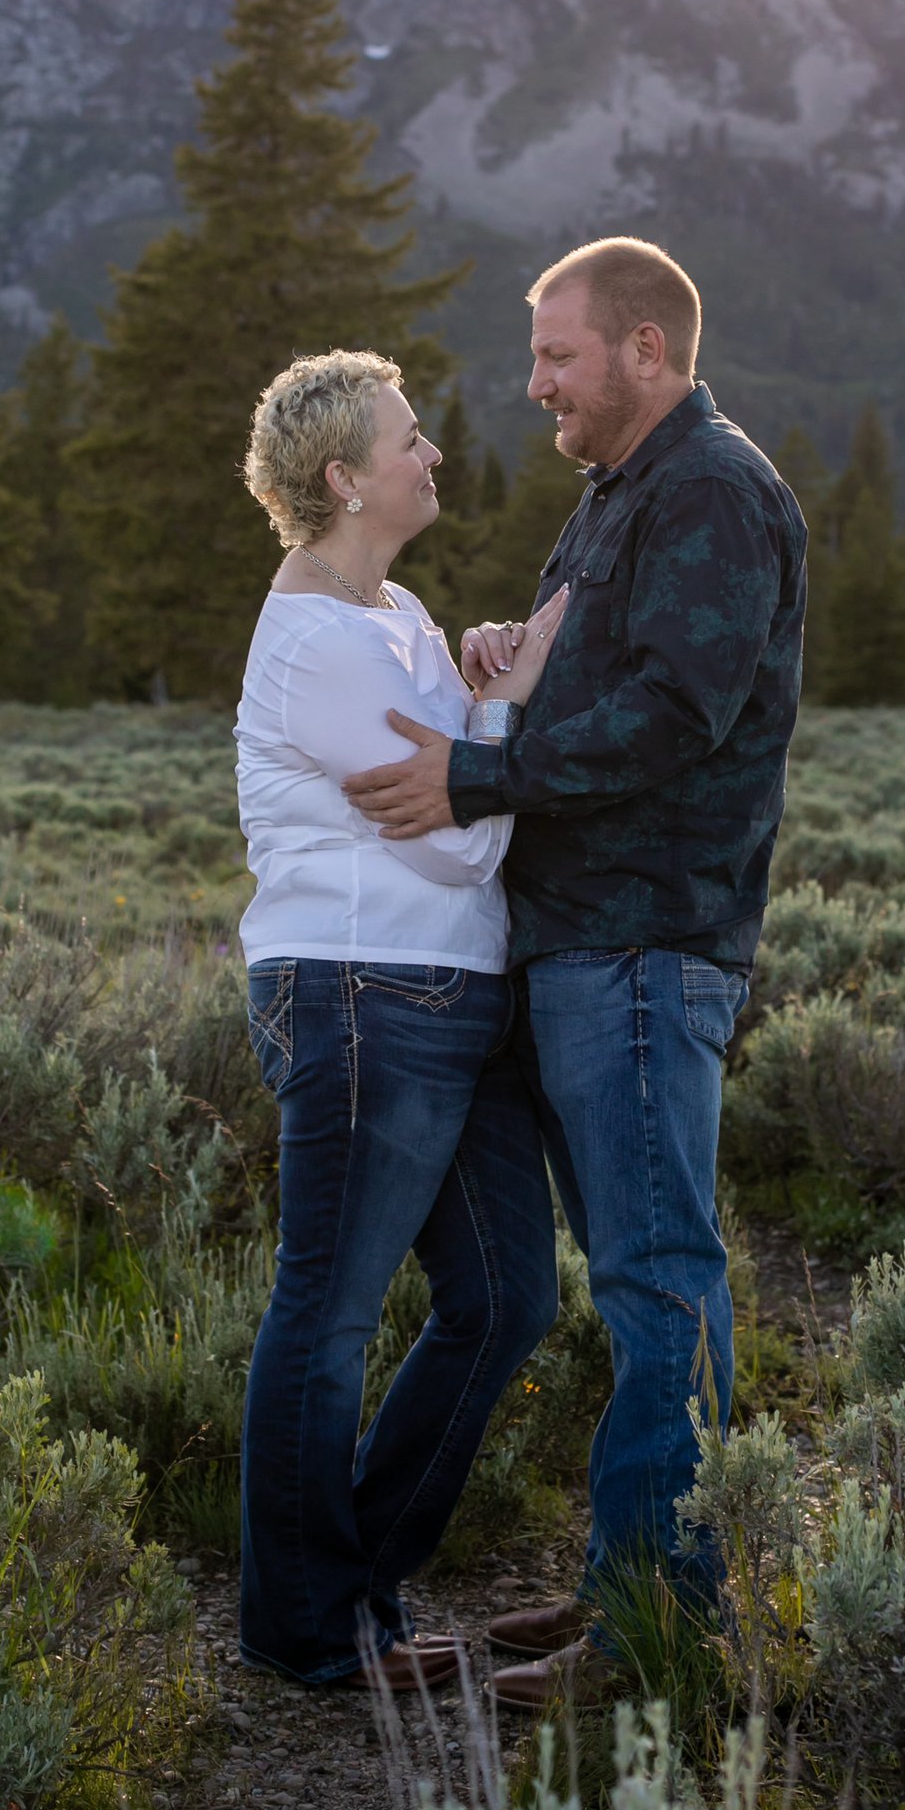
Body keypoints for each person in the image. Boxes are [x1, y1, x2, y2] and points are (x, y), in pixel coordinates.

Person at [341, 240, 807, 1704]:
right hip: (577, 947)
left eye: (559, 355)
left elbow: (677, 715)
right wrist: (502, 670)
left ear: (648, 350)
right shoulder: (617, 499)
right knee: (636, 1279)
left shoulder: (716, 493)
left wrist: (482, 777)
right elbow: (600, 679)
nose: (534, 382)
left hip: (646, 946)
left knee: (661, 1277)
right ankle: (635, 1585)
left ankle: (663, 1630)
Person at [233, 346, 568, 1691]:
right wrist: (504, 703)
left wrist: (480, 690)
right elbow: (456, 842)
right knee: (328, 1315)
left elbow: (462, 781)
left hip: (451, 1000)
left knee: (507, 1301)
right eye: (410, 438)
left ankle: (357, 1585)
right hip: (363, 993)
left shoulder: (399, 609)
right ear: (344, 476)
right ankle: (308, 1632)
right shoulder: (314, 643)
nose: (433, 454)